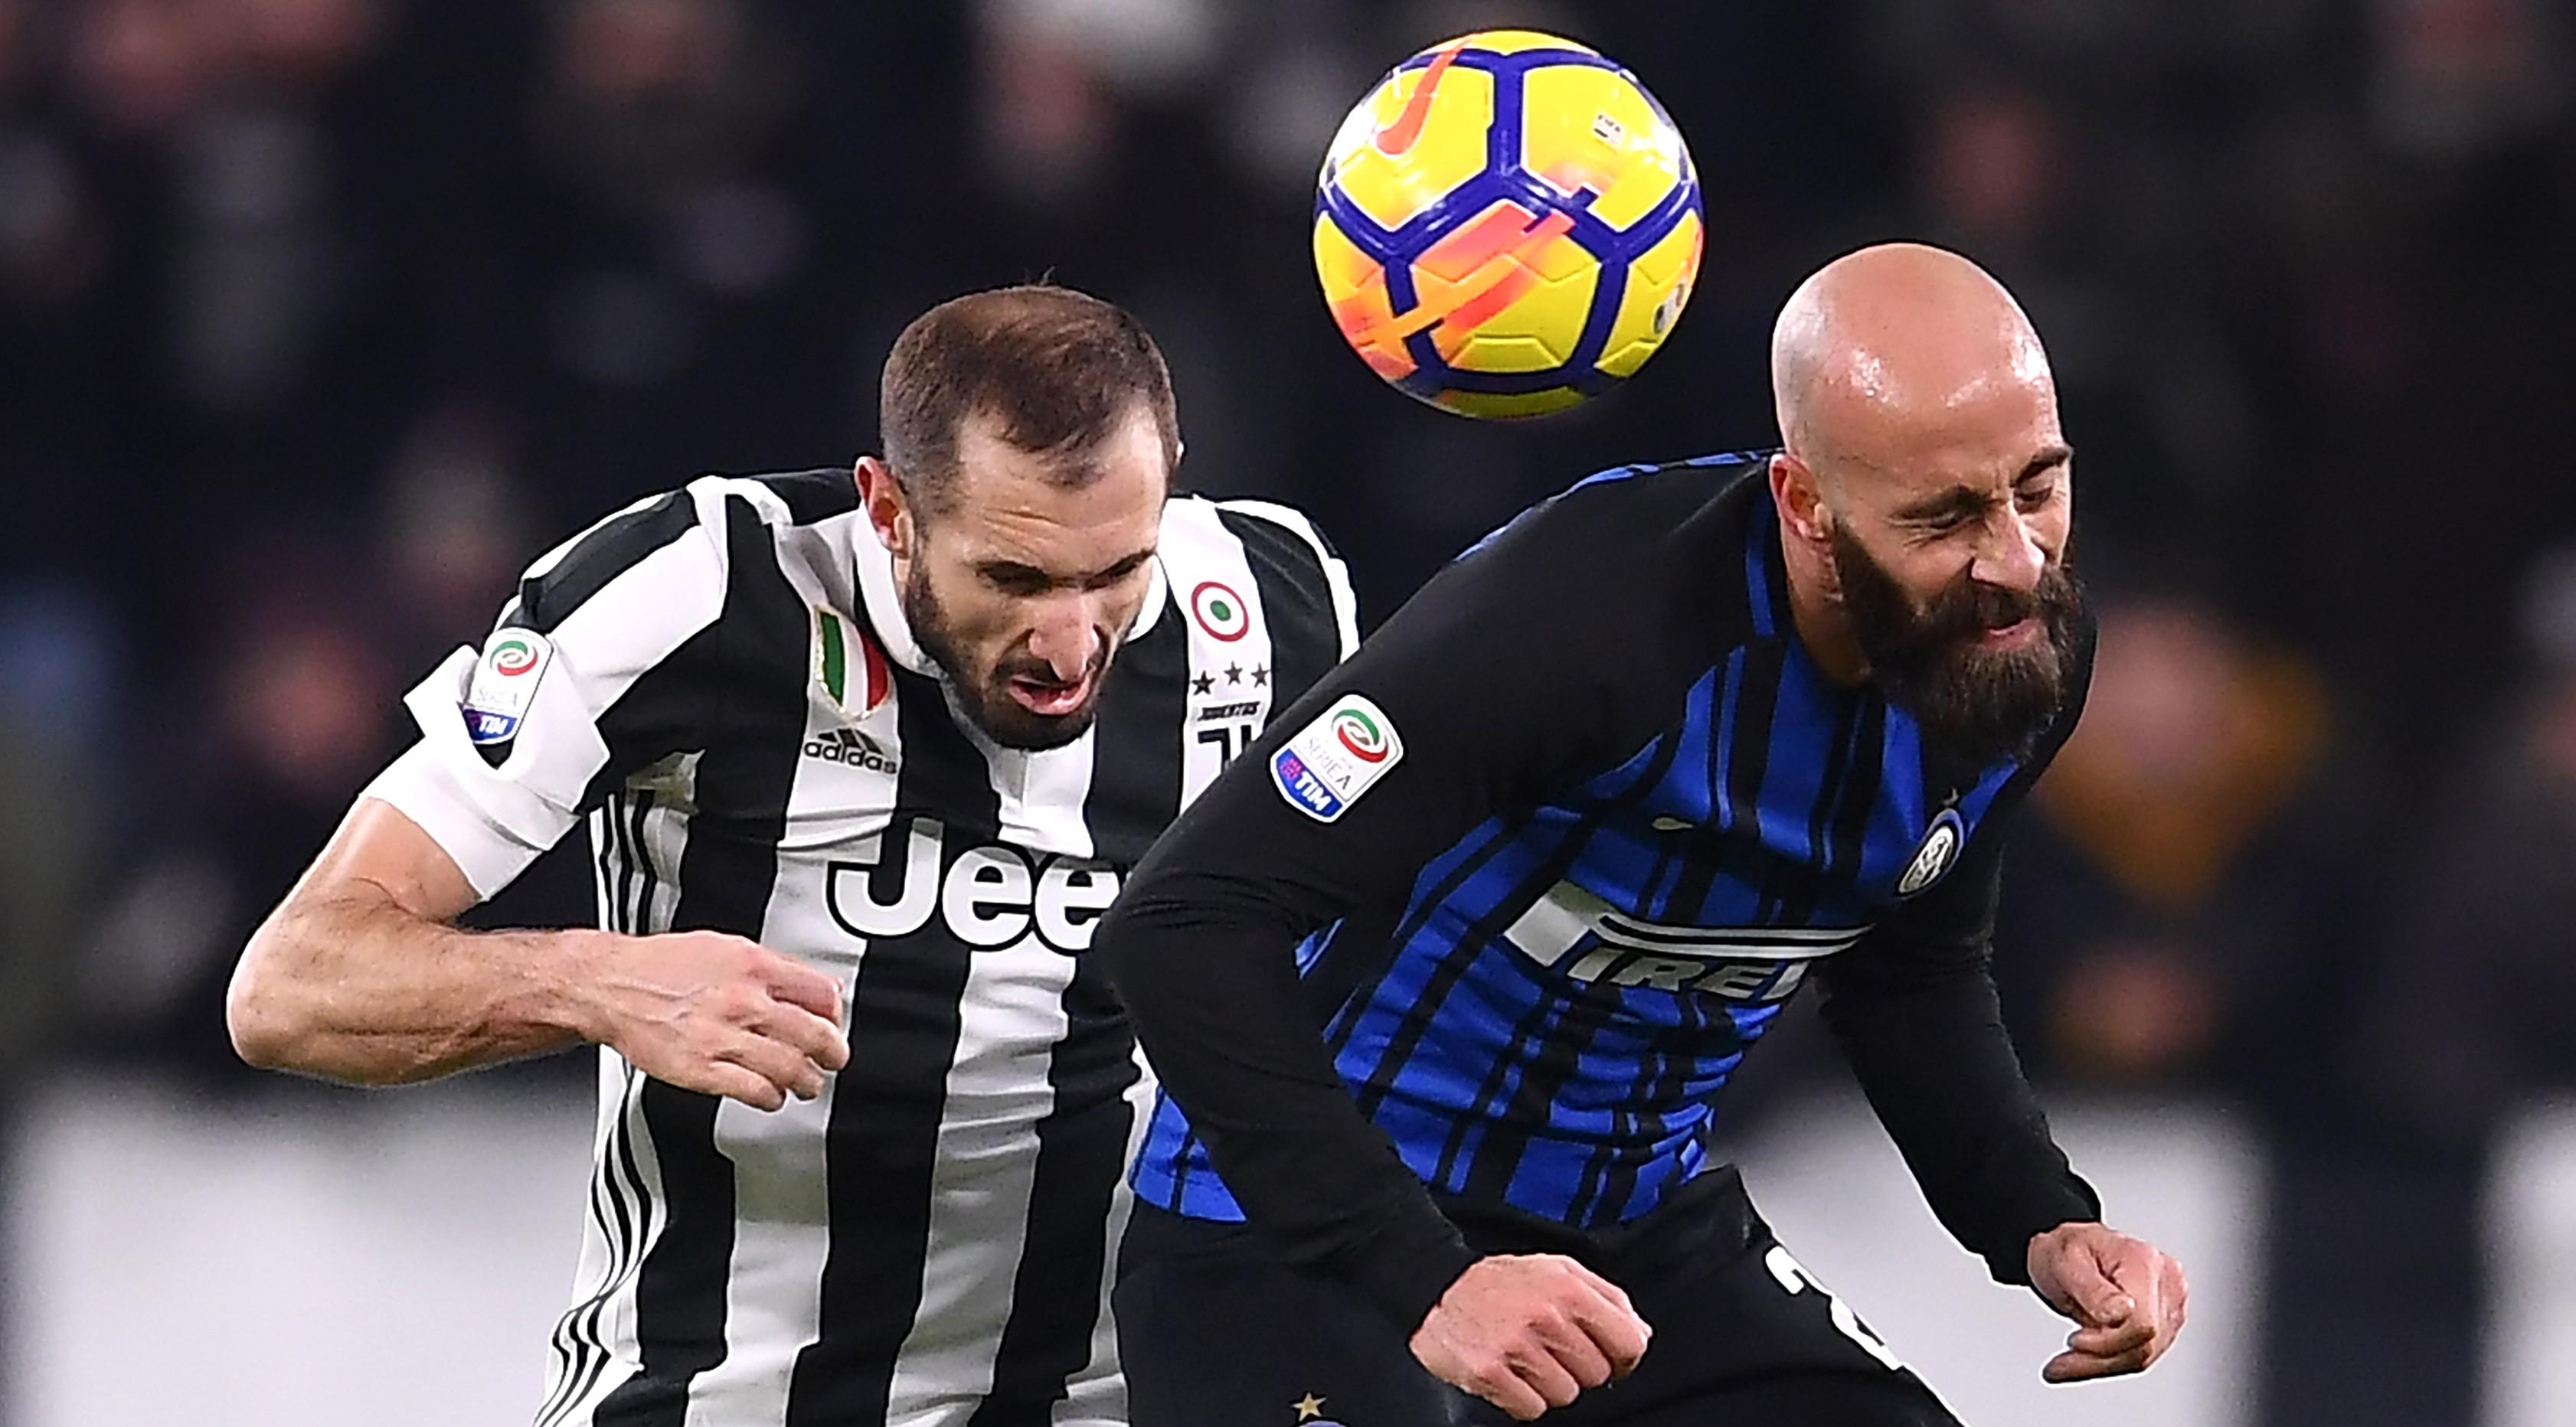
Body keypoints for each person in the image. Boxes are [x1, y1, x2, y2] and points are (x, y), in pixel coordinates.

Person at [224, 284, 1357, 1427]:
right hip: (736, 1395)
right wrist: (594, 984)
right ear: (891, 510)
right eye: (1011, 579)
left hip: (1128, 1397)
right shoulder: (698, 594)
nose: (1070, 645)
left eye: (1116, 573)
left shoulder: (1276, 606)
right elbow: (292, 984)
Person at [1097, 244, 2188, 1425]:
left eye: (2038, 486)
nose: (2016, 563)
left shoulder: (2013, 651)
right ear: (1806, 507)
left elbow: (1912, 965)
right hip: (1305, 1246)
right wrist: (1428, 1275)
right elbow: (1182, 924)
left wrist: (2038, 1217)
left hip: (1634, 1247)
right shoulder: (1587, 622)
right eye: (1947, 516)